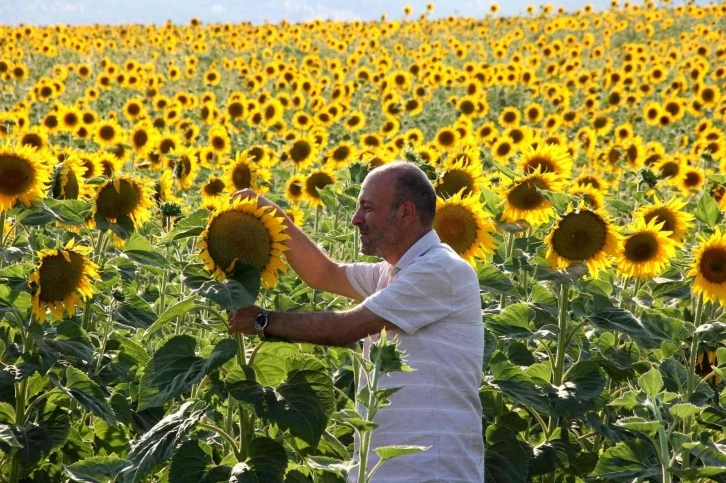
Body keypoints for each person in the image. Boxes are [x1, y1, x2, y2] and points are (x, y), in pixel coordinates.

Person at [228, 161, 485, 483]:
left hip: (431, 470)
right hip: (383, 470)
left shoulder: (441, 270)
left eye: (367, 208)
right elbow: (324, 274)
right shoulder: (392, 275)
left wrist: (263, 320)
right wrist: (267, 212)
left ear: (405, 213)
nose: (356, 219)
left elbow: (345, 327)